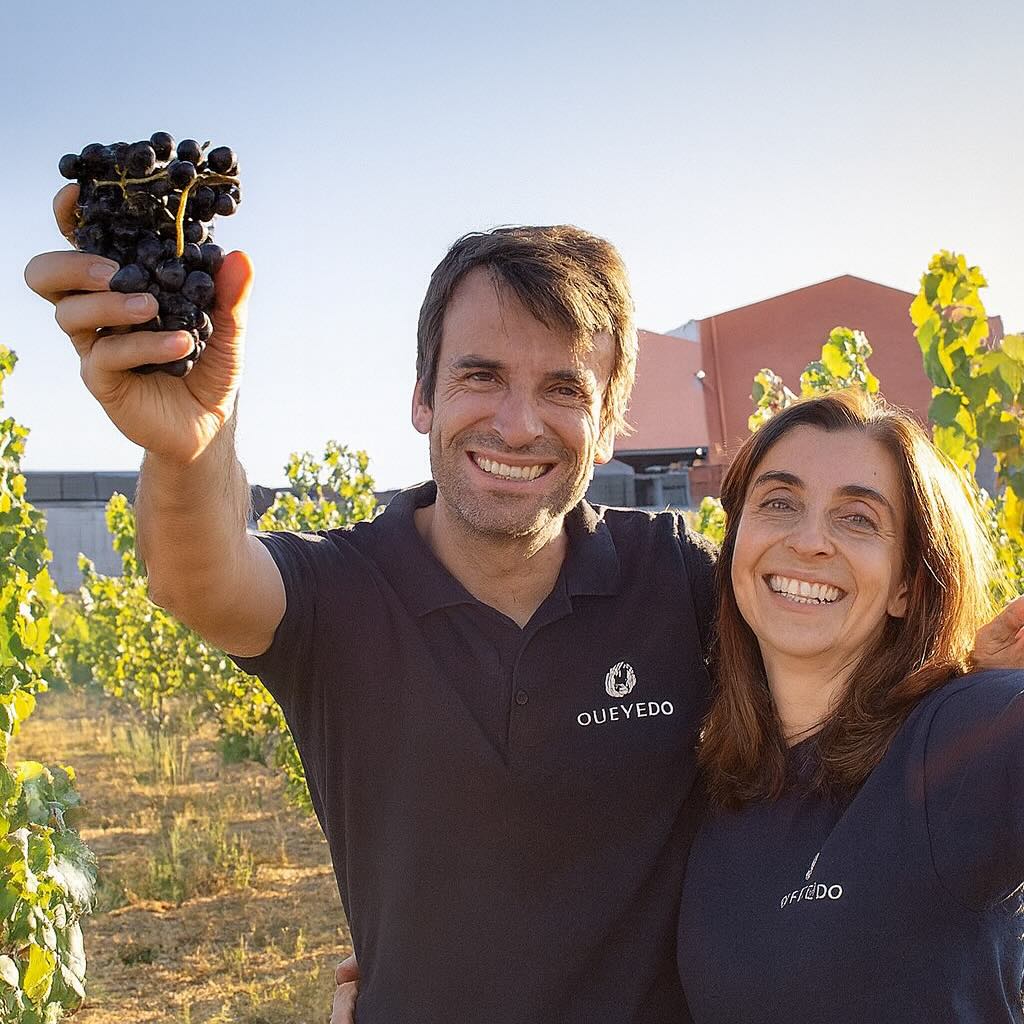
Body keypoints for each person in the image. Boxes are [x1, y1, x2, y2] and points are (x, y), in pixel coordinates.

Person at [23, 192, 1024, 1023]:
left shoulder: (676, 583)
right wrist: (189, 444)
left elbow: (826, 628)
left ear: (606, 418)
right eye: (479, 376)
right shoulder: (338, 593)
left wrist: (948, 669)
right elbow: (197, 580)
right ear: (422, 396)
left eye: (561, 386)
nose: (516, 421)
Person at [677, 389, 1024, 1022]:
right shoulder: (718, 782)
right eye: (780, 502)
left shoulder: (958, 739)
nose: (809, 541)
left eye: (858, 518)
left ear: (906, 585)